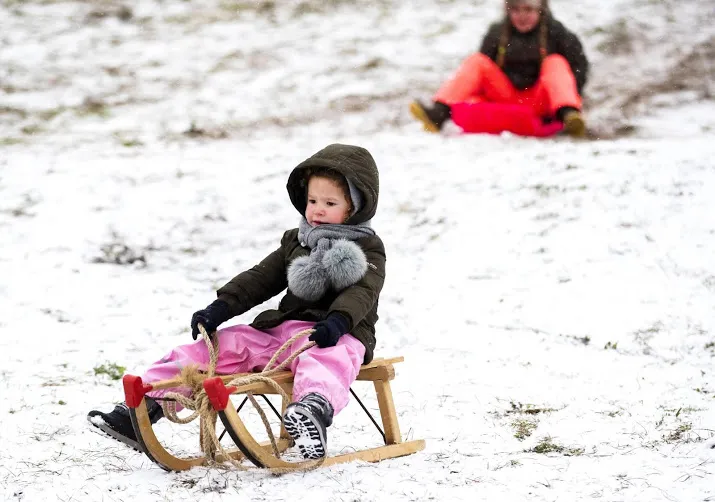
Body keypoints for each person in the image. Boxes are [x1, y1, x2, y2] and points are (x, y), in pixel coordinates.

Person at [88, 143, 386, 460]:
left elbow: (363, 290)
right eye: (312, 200)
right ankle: (143, 407)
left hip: (341, 333)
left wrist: (339, 321)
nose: (317, 209)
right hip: (283, 332)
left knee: (327, 360)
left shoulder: (368, 247)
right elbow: (260, 277)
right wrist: (222, 307)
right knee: (224, 345)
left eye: (330, 202)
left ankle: (312, 412)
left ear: (353, 207)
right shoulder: (296, 241)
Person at [410, 0, 589, 137]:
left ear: (540, 10)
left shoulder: (556, 32)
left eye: (528, 9)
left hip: (541, 100)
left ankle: (568, 114)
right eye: (516, 9)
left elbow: (579, 67)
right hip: (506, 97)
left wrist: (571, 96)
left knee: (555, 62)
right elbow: (479, 75)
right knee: (477, 61)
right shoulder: (498, 32)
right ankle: (440, 113)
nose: (522, 16)